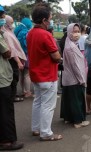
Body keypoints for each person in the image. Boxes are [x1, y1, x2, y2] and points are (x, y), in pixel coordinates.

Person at [26, 2, 63, 141]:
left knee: (38, 102)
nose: (50, 21)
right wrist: (60, 58)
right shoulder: (45, 35)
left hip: (36, 74)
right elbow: (56, 56)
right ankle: (46, 133)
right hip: (47, 75)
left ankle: (36, 128)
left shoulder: (31, 33)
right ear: (44, 20)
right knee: (48, 105)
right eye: (50, 18)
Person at [0, 5, 24, 151]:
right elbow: (7, 52)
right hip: (2, 79)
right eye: (1, 17)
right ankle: (7, 140)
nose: (2, 19)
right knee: (5, 111)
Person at [60, 23, 89, 128]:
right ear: (69, 32)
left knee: (69, 99)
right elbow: (75, 66)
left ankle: (68, 118)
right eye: (74, 31)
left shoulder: (69, 43)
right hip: (75, 78)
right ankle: (78, 121)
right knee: (77, 100)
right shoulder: (71, 47)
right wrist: (82, 79)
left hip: (68, 78)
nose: (76, 34)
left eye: (78, 31)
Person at [2, 15, 26, 102]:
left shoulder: (9, 32)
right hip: (12, 59)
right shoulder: (6, 34)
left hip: (13, 59)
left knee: (14, 78)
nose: (12, 25)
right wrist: (18, 61)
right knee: (13, 78)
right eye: (11, 23)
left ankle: (13, 94)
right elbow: (12, 49)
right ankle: (12, 97)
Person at [14, 17, 33, 98]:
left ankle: (23, 91)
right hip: (25, 55)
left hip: (17, 56)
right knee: (27, 74)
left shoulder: (16, 31)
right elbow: (27, 45)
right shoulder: (25, 33)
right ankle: (28, 92)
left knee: (21, 74)